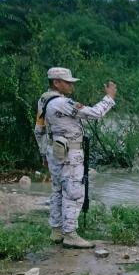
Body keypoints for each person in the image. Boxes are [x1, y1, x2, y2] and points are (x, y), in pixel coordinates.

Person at [34, 67, 117, 249]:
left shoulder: (44, 99)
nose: (71, 85)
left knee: (57, 191)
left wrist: (43, 153)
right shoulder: (62, 103)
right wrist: (109, 97)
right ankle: (70, 234)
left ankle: (56, 231)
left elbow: (39, 128)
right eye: (67, 82)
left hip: (54, 151)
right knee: (74, 193)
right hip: (70, 154)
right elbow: (95, 114)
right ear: (56, 82)